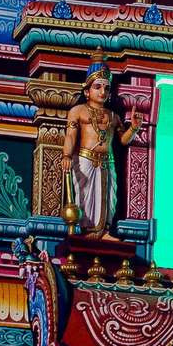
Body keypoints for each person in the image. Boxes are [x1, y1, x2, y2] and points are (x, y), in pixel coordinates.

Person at [62, 63, 134, 235]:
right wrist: (66, 155)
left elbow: (124, 140)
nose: (103, 92)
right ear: (86, 91)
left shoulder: (113, 116)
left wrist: (134, 128)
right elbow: (71, 135)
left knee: (109, 198)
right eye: (97, 87)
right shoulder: (77, 111)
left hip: (107, 162)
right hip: (85, 160)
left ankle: (105, 231)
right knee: (85, 196)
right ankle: (87, 232)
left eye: (106, 88)